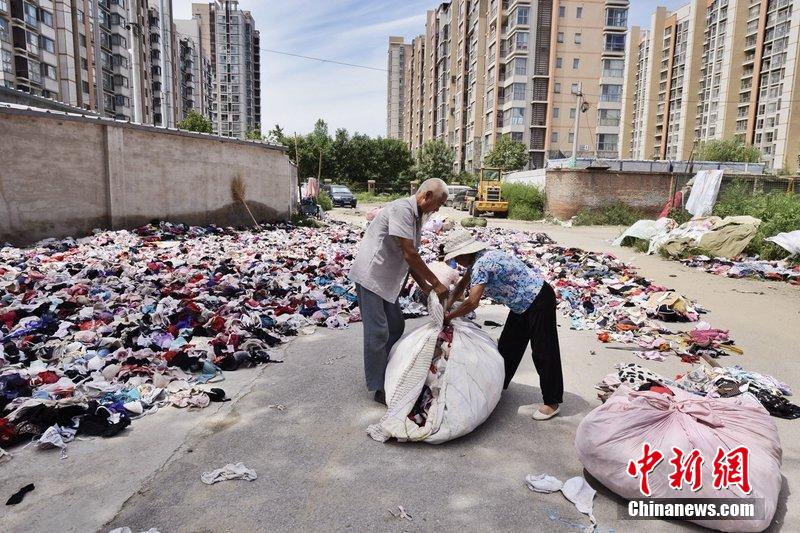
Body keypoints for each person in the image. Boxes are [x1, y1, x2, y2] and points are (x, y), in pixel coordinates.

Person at [441, 231, 564, 420]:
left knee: (543, 349)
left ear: (465, 254)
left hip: (538, 298)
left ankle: (552, 402)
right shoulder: (480, 259)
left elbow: (472, 302)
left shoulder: (482, 263)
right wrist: (446, 307)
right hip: (520, 303)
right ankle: (498, 386)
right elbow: (461, 286)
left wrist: (449, 317)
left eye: (457, 258)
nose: (457, 262)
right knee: (508, 347)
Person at [349, 179, 450, 404]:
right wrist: (435, 283)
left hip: (388, 280)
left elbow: (409, 257)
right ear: (426, 196)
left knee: (396, 325)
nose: (438, 209)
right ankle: (378, 386)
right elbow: (410, 254)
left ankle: (386, 368)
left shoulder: (417, 216)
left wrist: (424, 287)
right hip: (371, 277)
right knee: (378, 332)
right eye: (438, 204)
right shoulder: (402, 209)